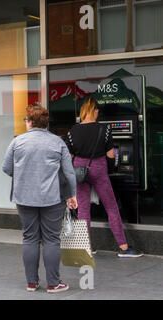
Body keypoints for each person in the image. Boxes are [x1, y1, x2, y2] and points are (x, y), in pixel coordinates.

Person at [2, 103, 77, 294]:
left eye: (26, 119)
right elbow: (69, 173)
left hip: (24, 198)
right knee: (52, 239)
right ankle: (53, 283)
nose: (25, 122)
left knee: (30, 238)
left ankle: (31, 282)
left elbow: (6, 168)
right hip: (52, 198)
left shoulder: (17, 141)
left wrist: (23, 174)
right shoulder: (58, 142)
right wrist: (72, 195)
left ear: (30, 121)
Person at [66, 97, 143, 258]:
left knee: (84, 210)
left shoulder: (72, 130)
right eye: (97, 110)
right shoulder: (104, 129)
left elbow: (70, 155)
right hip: (99, 168)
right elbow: (111, 154)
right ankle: (123, 247)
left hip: (79, 169)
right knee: (111, 207)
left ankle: (86, 248)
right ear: (94, 110)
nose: (98, 112)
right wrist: (112, 166)